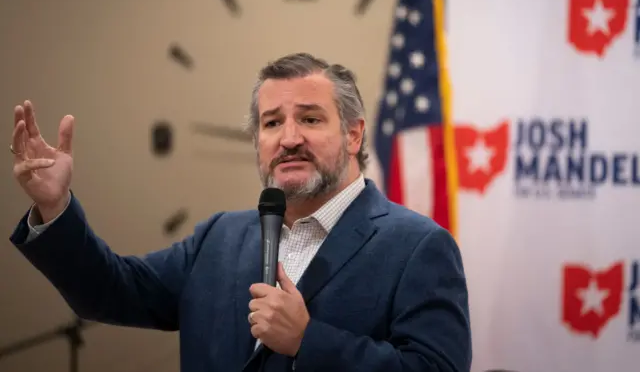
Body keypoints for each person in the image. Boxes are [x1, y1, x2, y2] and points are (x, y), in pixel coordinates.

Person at [8, 52, 472, 372]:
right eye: (272, 123)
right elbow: (108, 291)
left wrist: (309, 342)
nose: (289, 137)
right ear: (258, 142)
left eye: (310, 118)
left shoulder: (418, 246)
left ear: (353, 135)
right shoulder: (219, 237)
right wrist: (54, 205)